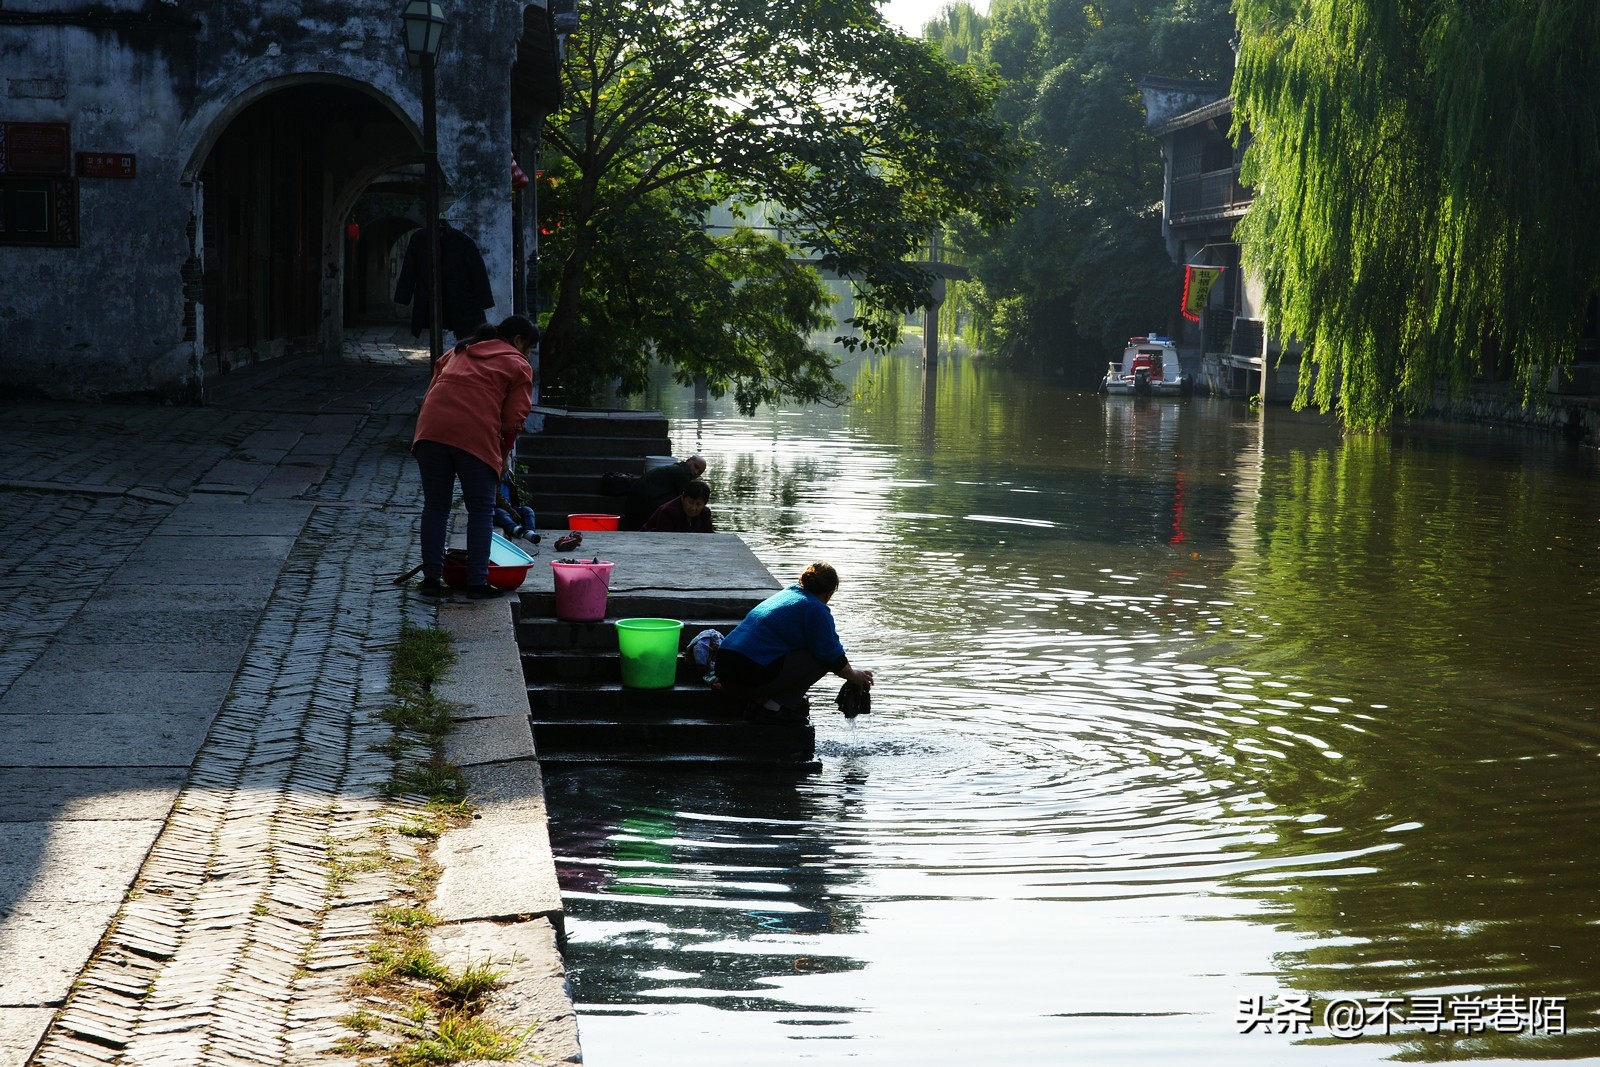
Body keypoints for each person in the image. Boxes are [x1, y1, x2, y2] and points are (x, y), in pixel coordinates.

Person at [412, 315, 536, 599]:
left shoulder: (457, 352)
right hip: (474, 437)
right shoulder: (518, 364)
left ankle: (431, 580)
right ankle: (477, 583)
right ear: (518, 340)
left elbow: (432, 393)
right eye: (528, 348)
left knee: (435, 507)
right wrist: (502, 456)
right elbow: (513, 420)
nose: (528, 354)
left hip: (430, 432)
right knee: (481, 511)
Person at [715, 562, 874, 722]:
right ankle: (771, 709)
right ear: (829, 593)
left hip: (723, 667)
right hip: (745, 676)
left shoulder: (788, 593)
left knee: (810, 648)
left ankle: (759, 703)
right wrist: (855, 676)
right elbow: (832, 656)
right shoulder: (815, 608)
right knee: (821, 658)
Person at [620, 454, 707, 530]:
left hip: (636, 502)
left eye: (699, 472)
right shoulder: (683, 473)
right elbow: (683, 500)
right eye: (696, 467)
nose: (696, 472)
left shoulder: (678, 469)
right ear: (688, 461)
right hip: (641, 504)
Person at [640, 480, 714, 532]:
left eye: (698, 504)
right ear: (682, 498)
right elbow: (663, 539)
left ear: (704, 504)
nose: (693, 508)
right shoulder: (668, 512)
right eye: (690, 502)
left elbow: (708, 535)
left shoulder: (705, 513)